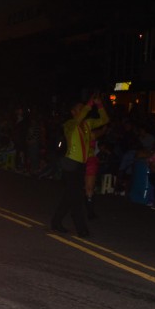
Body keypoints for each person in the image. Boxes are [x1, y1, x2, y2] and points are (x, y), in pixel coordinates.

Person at [50, 94, 109, 236]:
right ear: (73, 112)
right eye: (80, 108)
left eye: (84, 107)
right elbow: (81, 116)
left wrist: (99, 105)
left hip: (81, 164)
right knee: (76, 197)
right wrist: (90, 103)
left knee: (70, 196)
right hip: (70, 162)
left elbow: (104, 120)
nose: (84, 109)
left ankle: (56, 222)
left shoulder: (87, 124)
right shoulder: (70, 124)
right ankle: (81, 229)